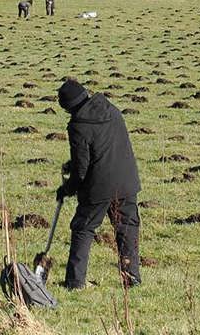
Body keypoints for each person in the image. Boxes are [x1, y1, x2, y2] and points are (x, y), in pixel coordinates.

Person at [55, 79, 141, 290]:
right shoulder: (111, 110)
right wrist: (72, 164)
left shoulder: (78, 126)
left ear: (68, 107)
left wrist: (68, 188)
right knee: (127, 229)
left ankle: (75, 282)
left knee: (83, 229)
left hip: (99, 187)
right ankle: (132, 279)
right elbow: (104, 147)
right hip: (126, 180)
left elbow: (82, 169)